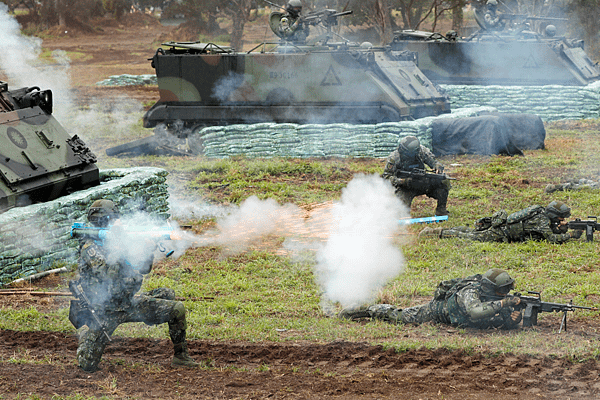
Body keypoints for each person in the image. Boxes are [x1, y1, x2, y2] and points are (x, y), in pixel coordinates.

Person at [68, 199, 199, 372]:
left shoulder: (117, 240)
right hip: (106, 312)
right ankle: (85, 336)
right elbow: (109, 277)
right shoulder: (90, 249)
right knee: (87, 365)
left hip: (127, 303)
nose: (118, 223)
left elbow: (143, 269)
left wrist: (147, 249)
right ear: (104, 221)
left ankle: (181, 357)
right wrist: (120, 249)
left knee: (175, 307)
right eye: (114, 220)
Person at [340, 269, 523, 329]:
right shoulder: (470, 293)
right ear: (490, 288)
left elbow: (493, 318)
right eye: (503, 290)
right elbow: (475, 313)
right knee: (401, 316)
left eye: (508, 290)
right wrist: (505, 303)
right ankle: (367, 310)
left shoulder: (495, 297)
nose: (506, 293)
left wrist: (511, 320)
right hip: (436, 312)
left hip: (460, 320)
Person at [419, 200, 583, 243]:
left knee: (471, 231)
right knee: (470, 237)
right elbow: (551, 239)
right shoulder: (542, 220)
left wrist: (562, 229)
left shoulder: (542, 214)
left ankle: (442, 230)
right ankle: (435, 232)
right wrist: (571, 235)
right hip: (500, 232)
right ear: (553, 215)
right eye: (561, 218)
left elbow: (546, 233)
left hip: (503, 228)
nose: (562, 220)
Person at [381, 135, 450, 216]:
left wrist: (437, 167)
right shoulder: (394, 157)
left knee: (443, 181)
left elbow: (434, 162)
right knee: (401, 214)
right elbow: (386, 177)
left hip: (423, 182)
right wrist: (403, 181)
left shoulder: (421, 150)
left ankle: (441, 210)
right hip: (406, 187)